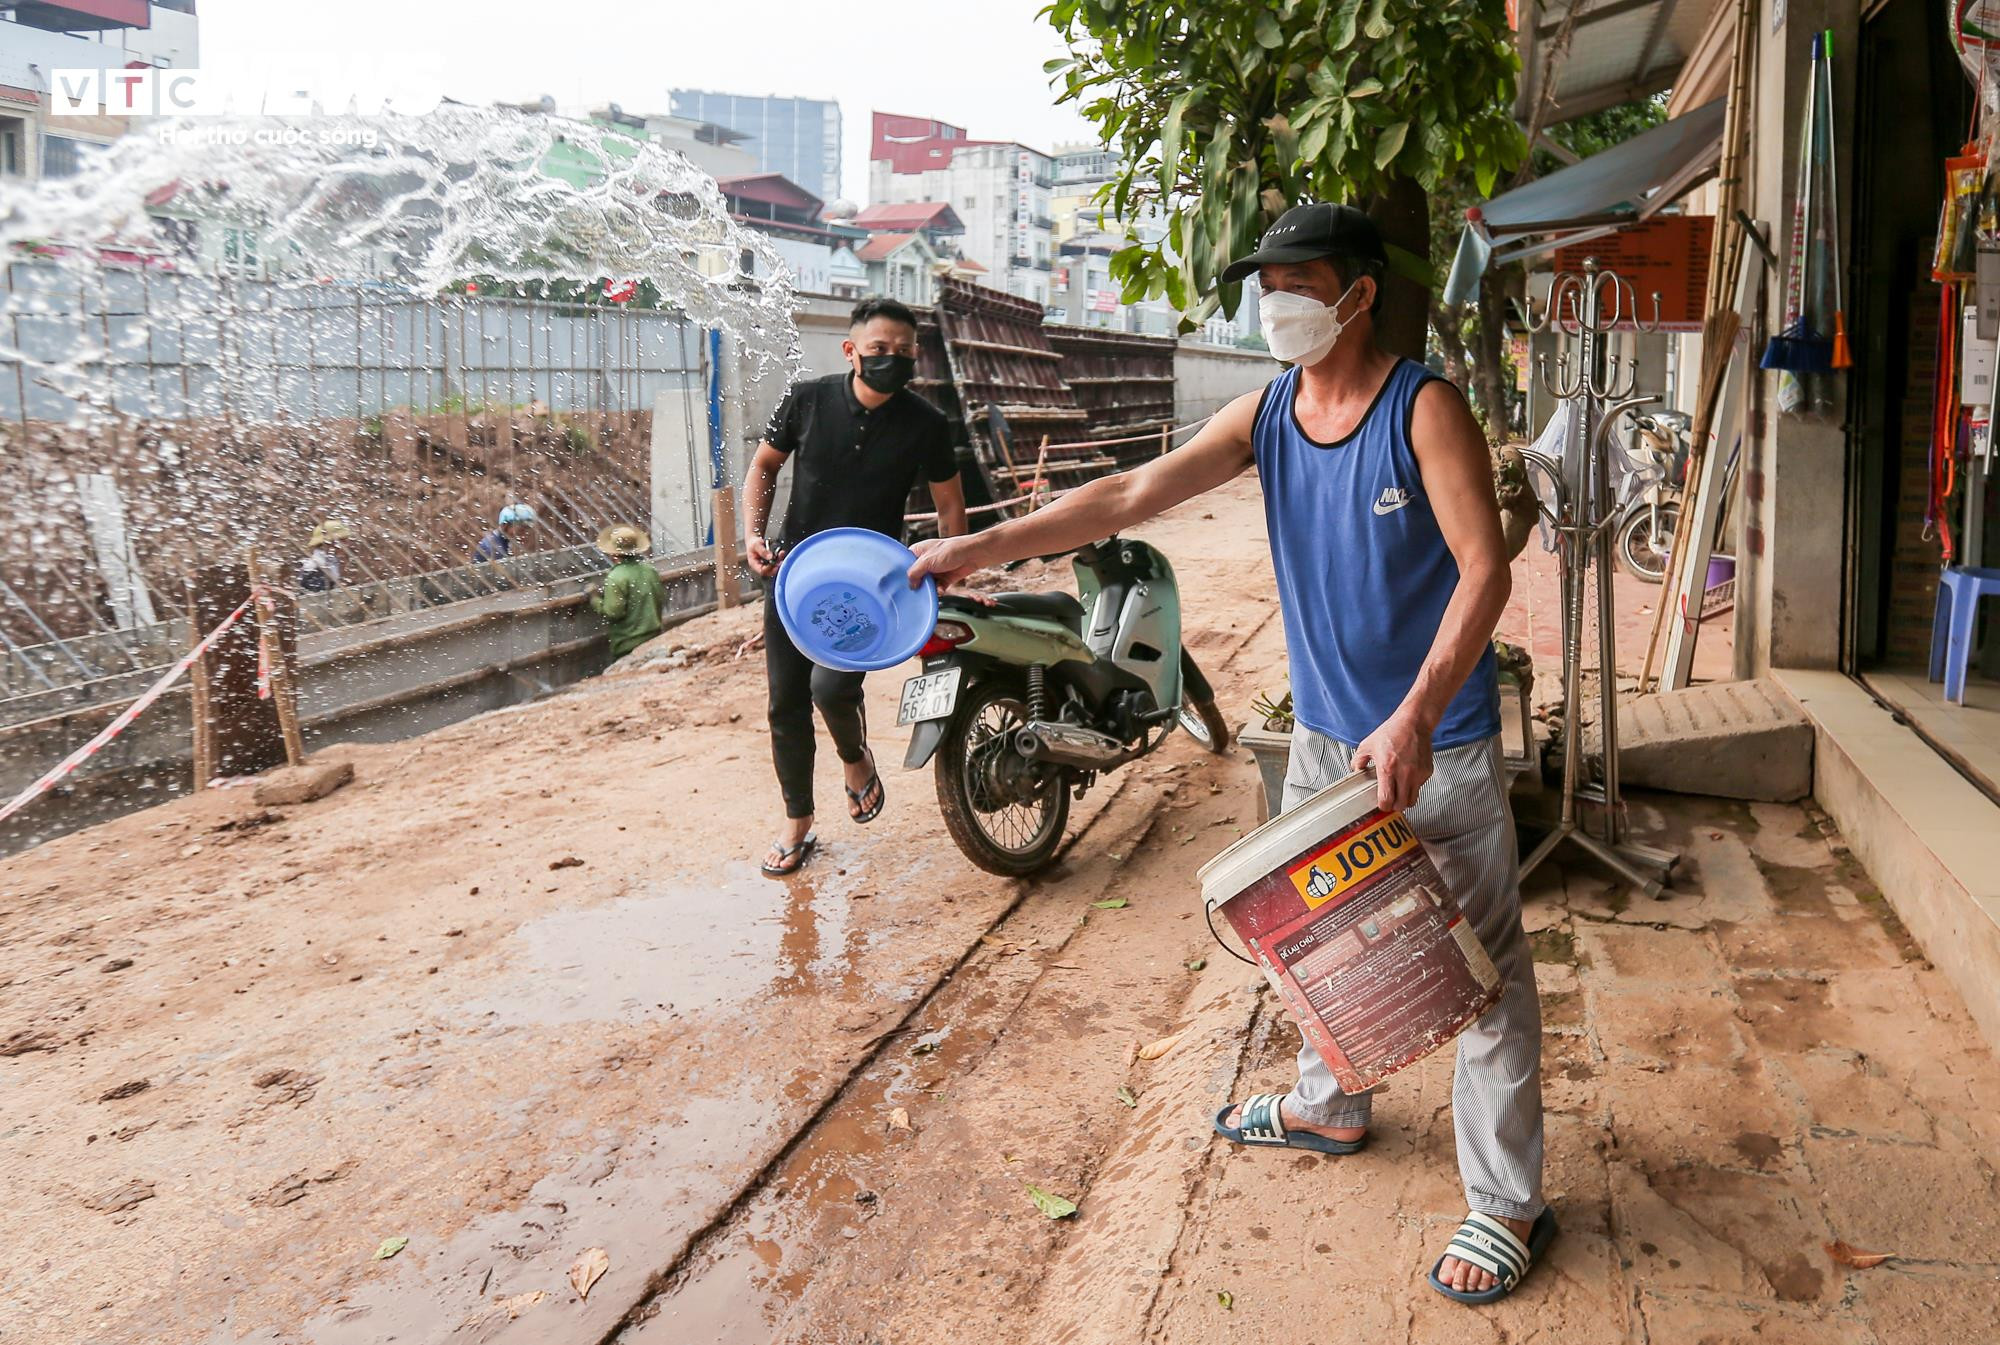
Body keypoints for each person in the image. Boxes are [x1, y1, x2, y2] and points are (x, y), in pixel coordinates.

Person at [908, 203, 1546, 1304]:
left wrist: (1412, 712)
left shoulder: (1422, 408)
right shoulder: (1267, 415)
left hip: (1431, 741)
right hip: (1320, 737)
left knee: (1479, 974)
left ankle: (1502, 1203)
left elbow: (1482, 573)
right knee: (1311, 938)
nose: (1274, 303)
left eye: (1296, 282)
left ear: (1354, 293)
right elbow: (1123, 493)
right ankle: (1327, 1103)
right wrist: (977, 545)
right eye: (1266, 283)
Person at [744, 296, 968, 877]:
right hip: (796, 579)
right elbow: (764, 465)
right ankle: (798, 824)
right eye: (877, 350)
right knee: (785, 702)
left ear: (915, 356)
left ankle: (854, 756)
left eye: (903, 351)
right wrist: (752, 534)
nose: (891, 359)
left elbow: (950, 507)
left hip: (874, 588)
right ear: (851, 352)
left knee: (832, 687)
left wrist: (951, 571)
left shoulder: (926, 424)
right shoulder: (807, 400)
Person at [589, 523, 665, 659]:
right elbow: (660, 598)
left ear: (613, 554)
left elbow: (613, 612)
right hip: (654, 638)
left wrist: (594, 598)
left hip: (627, 645)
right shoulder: (650, 571)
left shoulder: (616, 577)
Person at [297, 520, 351, 592]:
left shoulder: (332, 561)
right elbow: (319, 599)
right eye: (343, 541)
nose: (347, 544)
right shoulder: (314, 569)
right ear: (328, 543)